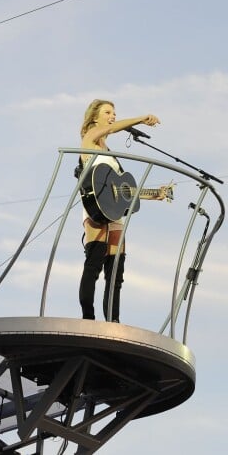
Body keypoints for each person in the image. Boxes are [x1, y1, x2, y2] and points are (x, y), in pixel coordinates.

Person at [78, 99, 168, 322]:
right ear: (94, 117)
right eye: (108, 112)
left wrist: (155, 194)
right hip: (96, 210)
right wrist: (139, 119)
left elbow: (121, 191)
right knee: (94, 263)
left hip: (115, 214)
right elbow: (108, 130)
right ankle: (88, 318)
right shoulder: (88, 141)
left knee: (115, 271)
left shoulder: (111, 155)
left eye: (114, 112)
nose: (113, 116)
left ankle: (113, 320)